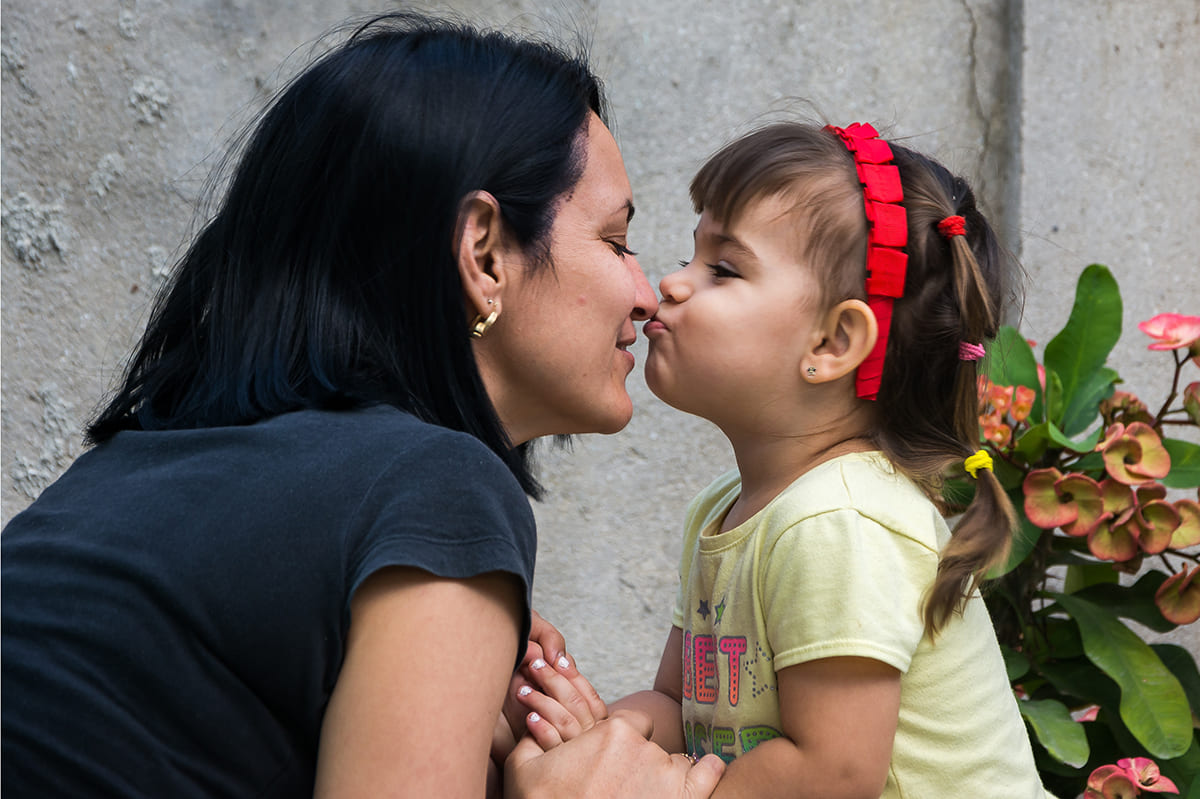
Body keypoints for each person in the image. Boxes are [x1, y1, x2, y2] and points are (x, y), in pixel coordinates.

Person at [0, 12, 723, 798]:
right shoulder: (440, 486)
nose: (648, 297)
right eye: (617, 242)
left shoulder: (129, 472)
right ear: (483, 252)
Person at [513, 121, 1054, 797]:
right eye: (690, 255)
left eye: (724, 268)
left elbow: (833, 771)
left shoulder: (841, 522)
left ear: (833, 341)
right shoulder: (723, 510)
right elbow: (679, 709)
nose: (673, 284)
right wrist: (599, 741)